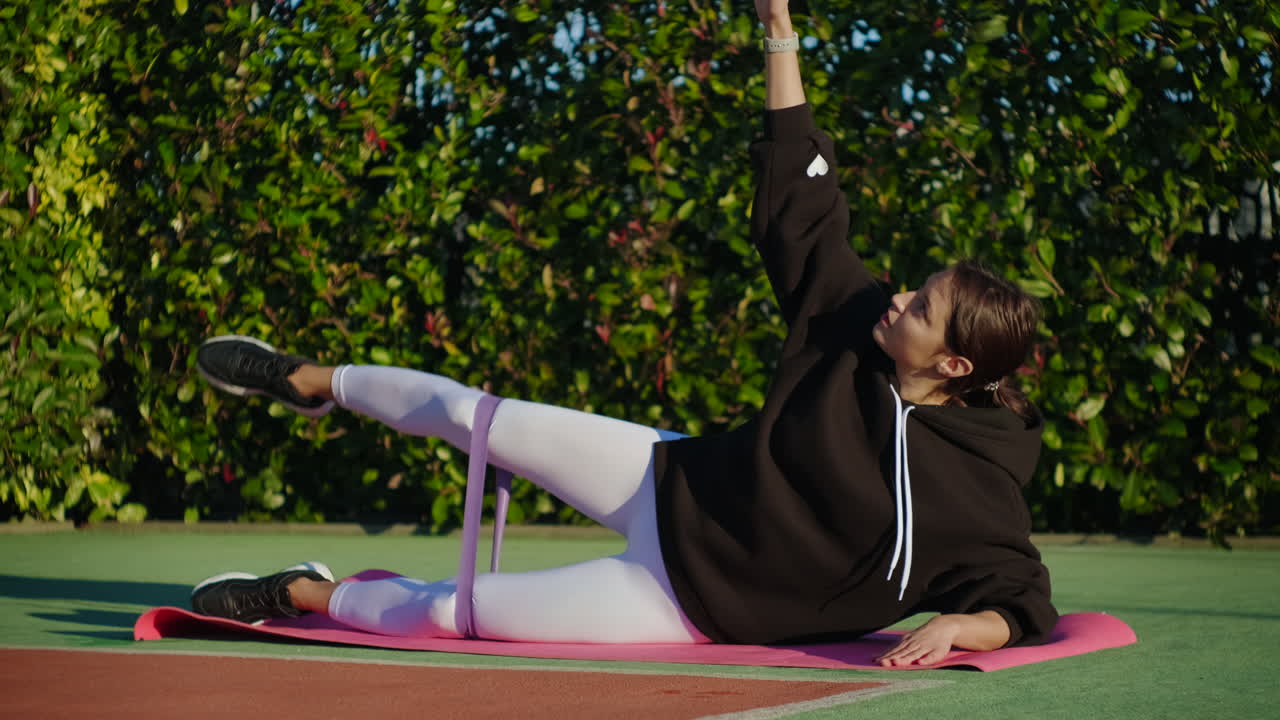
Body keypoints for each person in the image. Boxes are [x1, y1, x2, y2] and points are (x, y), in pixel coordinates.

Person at [188, 0, 1057, 667]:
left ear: (952, 362)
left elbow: (1020, 598)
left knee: (459, 615)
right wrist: (779, 28)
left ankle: (302, 593)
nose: (897, 296)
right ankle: (309, 381)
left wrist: (961, 625)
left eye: (922, 306)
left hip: (684, 603)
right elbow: (803, 204)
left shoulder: (982, 488)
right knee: (480, 417)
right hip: (672, 479)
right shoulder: (851, 322)